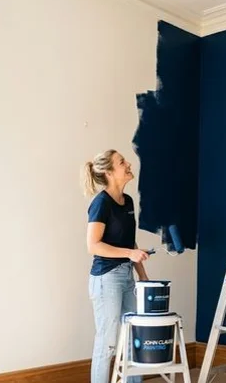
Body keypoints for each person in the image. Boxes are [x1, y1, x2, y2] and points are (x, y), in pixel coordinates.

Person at [82, 149, 150, 383]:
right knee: (108, 343)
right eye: (122, 162)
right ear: (109, 172)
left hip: (127, 276)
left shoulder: (127, 201)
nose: (128, 164)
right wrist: (130, 254)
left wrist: (143, 276)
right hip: (106, 279)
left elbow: (129, 241)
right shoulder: (101, 203)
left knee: (135, 337)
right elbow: (94, 245)